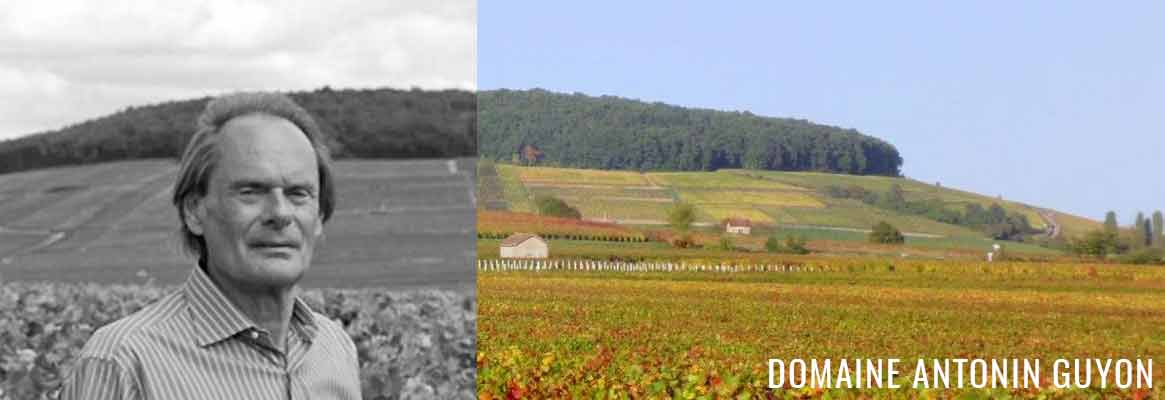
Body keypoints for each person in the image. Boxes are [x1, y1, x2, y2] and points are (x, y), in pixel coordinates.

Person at [61, 93, 362, 400]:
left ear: (320, 216)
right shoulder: (124, 364)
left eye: (298, 194)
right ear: (194, 211)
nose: (280, 214)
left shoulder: (335, 349)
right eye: (250, 192)